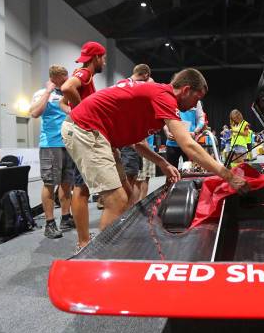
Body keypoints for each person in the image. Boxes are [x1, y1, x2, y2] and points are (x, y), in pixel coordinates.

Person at [62, 68, 249, 252]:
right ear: (185, 90)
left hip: (100, 134)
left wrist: (163, 163)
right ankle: (97, 258)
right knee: (116, 200)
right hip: (85, 129)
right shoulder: (164, 96)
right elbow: (189, 146)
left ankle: (115, 245)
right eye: (196, 98)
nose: (194, 106)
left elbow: (138, 142)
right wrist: (228, 176)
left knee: (128, 195)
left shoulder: (156, 96)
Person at [61, 41, 106, 251]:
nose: (104, 62)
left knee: (82, 186)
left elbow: (62, 101)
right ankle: (83, 241)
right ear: (97, 58)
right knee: (82, 188)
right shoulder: (84, 73)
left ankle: (84, 239)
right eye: (103, 58)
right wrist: (82, 112)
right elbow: (67, 88)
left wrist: (74, 111)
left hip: (77, 132)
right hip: (81, 134)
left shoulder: (83, 75)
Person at [30, 65, 76, 239]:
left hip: (69, 144)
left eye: (66, 77)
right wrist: (47, 92)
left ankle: (66, 217)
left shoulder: (68, 93)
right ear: (53, 78)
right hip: (50, 145)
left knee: (67, 183)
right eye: (62, 78)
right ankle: (50, 223)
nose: (66, 80)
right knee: (50, 183)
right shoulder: (42, 93)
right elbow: (34, 113)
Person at [116, 64, 155, 206]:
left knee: (137, 177)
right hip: (130, 142)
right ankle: (125, 210)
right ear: (145, 76)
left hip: (140, 144)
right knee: (129, 178)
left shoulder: (138, 94)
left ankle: (135, 207)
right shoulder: (126, 86)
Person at [164, 100, 205, 168]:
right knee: (171, 173)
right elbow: (164, 118)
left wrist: (195, 132)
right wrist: (167, 132)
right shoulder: (170, 98)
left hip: (189, 142)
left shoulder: (196, 101)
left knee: (189, 171)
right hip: (172, 143)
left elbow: (201, 119)